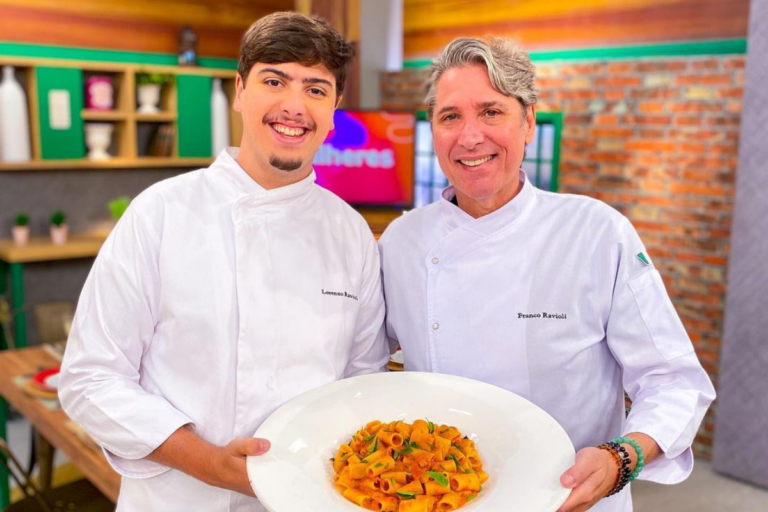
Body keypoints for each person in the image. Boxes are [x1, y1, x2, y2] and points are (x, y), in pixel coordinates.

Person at [58, 12, 389, 512]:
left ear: (335, 105)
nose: (294, 106)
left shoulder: (351, 234)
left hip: (309, 498)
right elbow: (89, 379)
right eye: (274, 81)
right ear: (239, 90)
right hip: (175, 498)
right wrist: (207, 462)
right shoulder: (161, 212)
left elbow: (363, 383)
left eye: (316, 89)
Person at [378, 37, 715, 512]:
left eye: (491, 112)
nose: (470, 136)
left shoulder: (597, 233)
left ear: (529, 121)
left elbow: (673, 379)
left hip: (564, 497)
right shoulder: (402, 240)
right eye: (450, 116)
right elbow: (368, 366)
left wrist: (624, 455)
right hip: (440, 498)